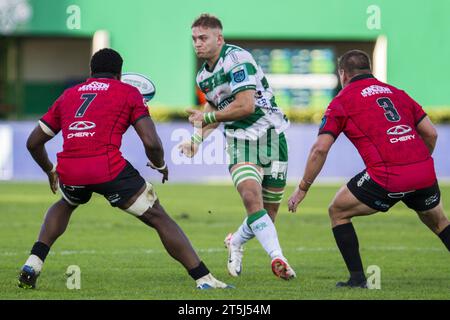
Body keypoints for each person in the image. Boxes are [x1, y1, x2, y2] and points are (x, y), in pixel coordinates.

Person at [18, 48, 231, 290]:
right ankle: (204, 279)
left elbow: (33, 143)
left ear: (91, 72)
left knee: (66, 202)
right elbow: (151, 142)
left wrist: (49, 169)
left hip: (71, 168)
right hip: (107, 168)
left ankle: (33, 262)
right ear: (120, 73)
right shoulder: (130, 92)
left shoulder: (69, 94)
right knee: (158, 217)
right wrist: (160, 165)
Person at [288, 49, 450, 288]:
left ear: (343, 74)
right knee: (439, 222)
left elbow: (319, 149)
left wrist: (303, 188)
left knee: (338, 211)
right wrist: (417, 164)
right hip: (424, 172)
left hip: (388, 177)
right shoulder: (398, 93)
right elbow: (431, 133)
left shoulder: (342, 101)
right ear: (369, 70)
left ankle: (357, 279)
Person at [179, 14, 296, 280]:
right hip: (239, 140)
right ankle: (278, 258)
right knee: (250, 196)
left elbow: (246, 105)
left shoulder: (236, 59)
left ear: (219, 39)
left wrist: (206, 118)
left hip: (271, 136)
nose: (197, 44)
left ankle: (236, 241)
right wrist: (196, 140)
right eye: (194, 39)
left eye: (203, 38)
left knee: (268, 215)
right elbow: (214, 104)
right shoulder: (202, 77)